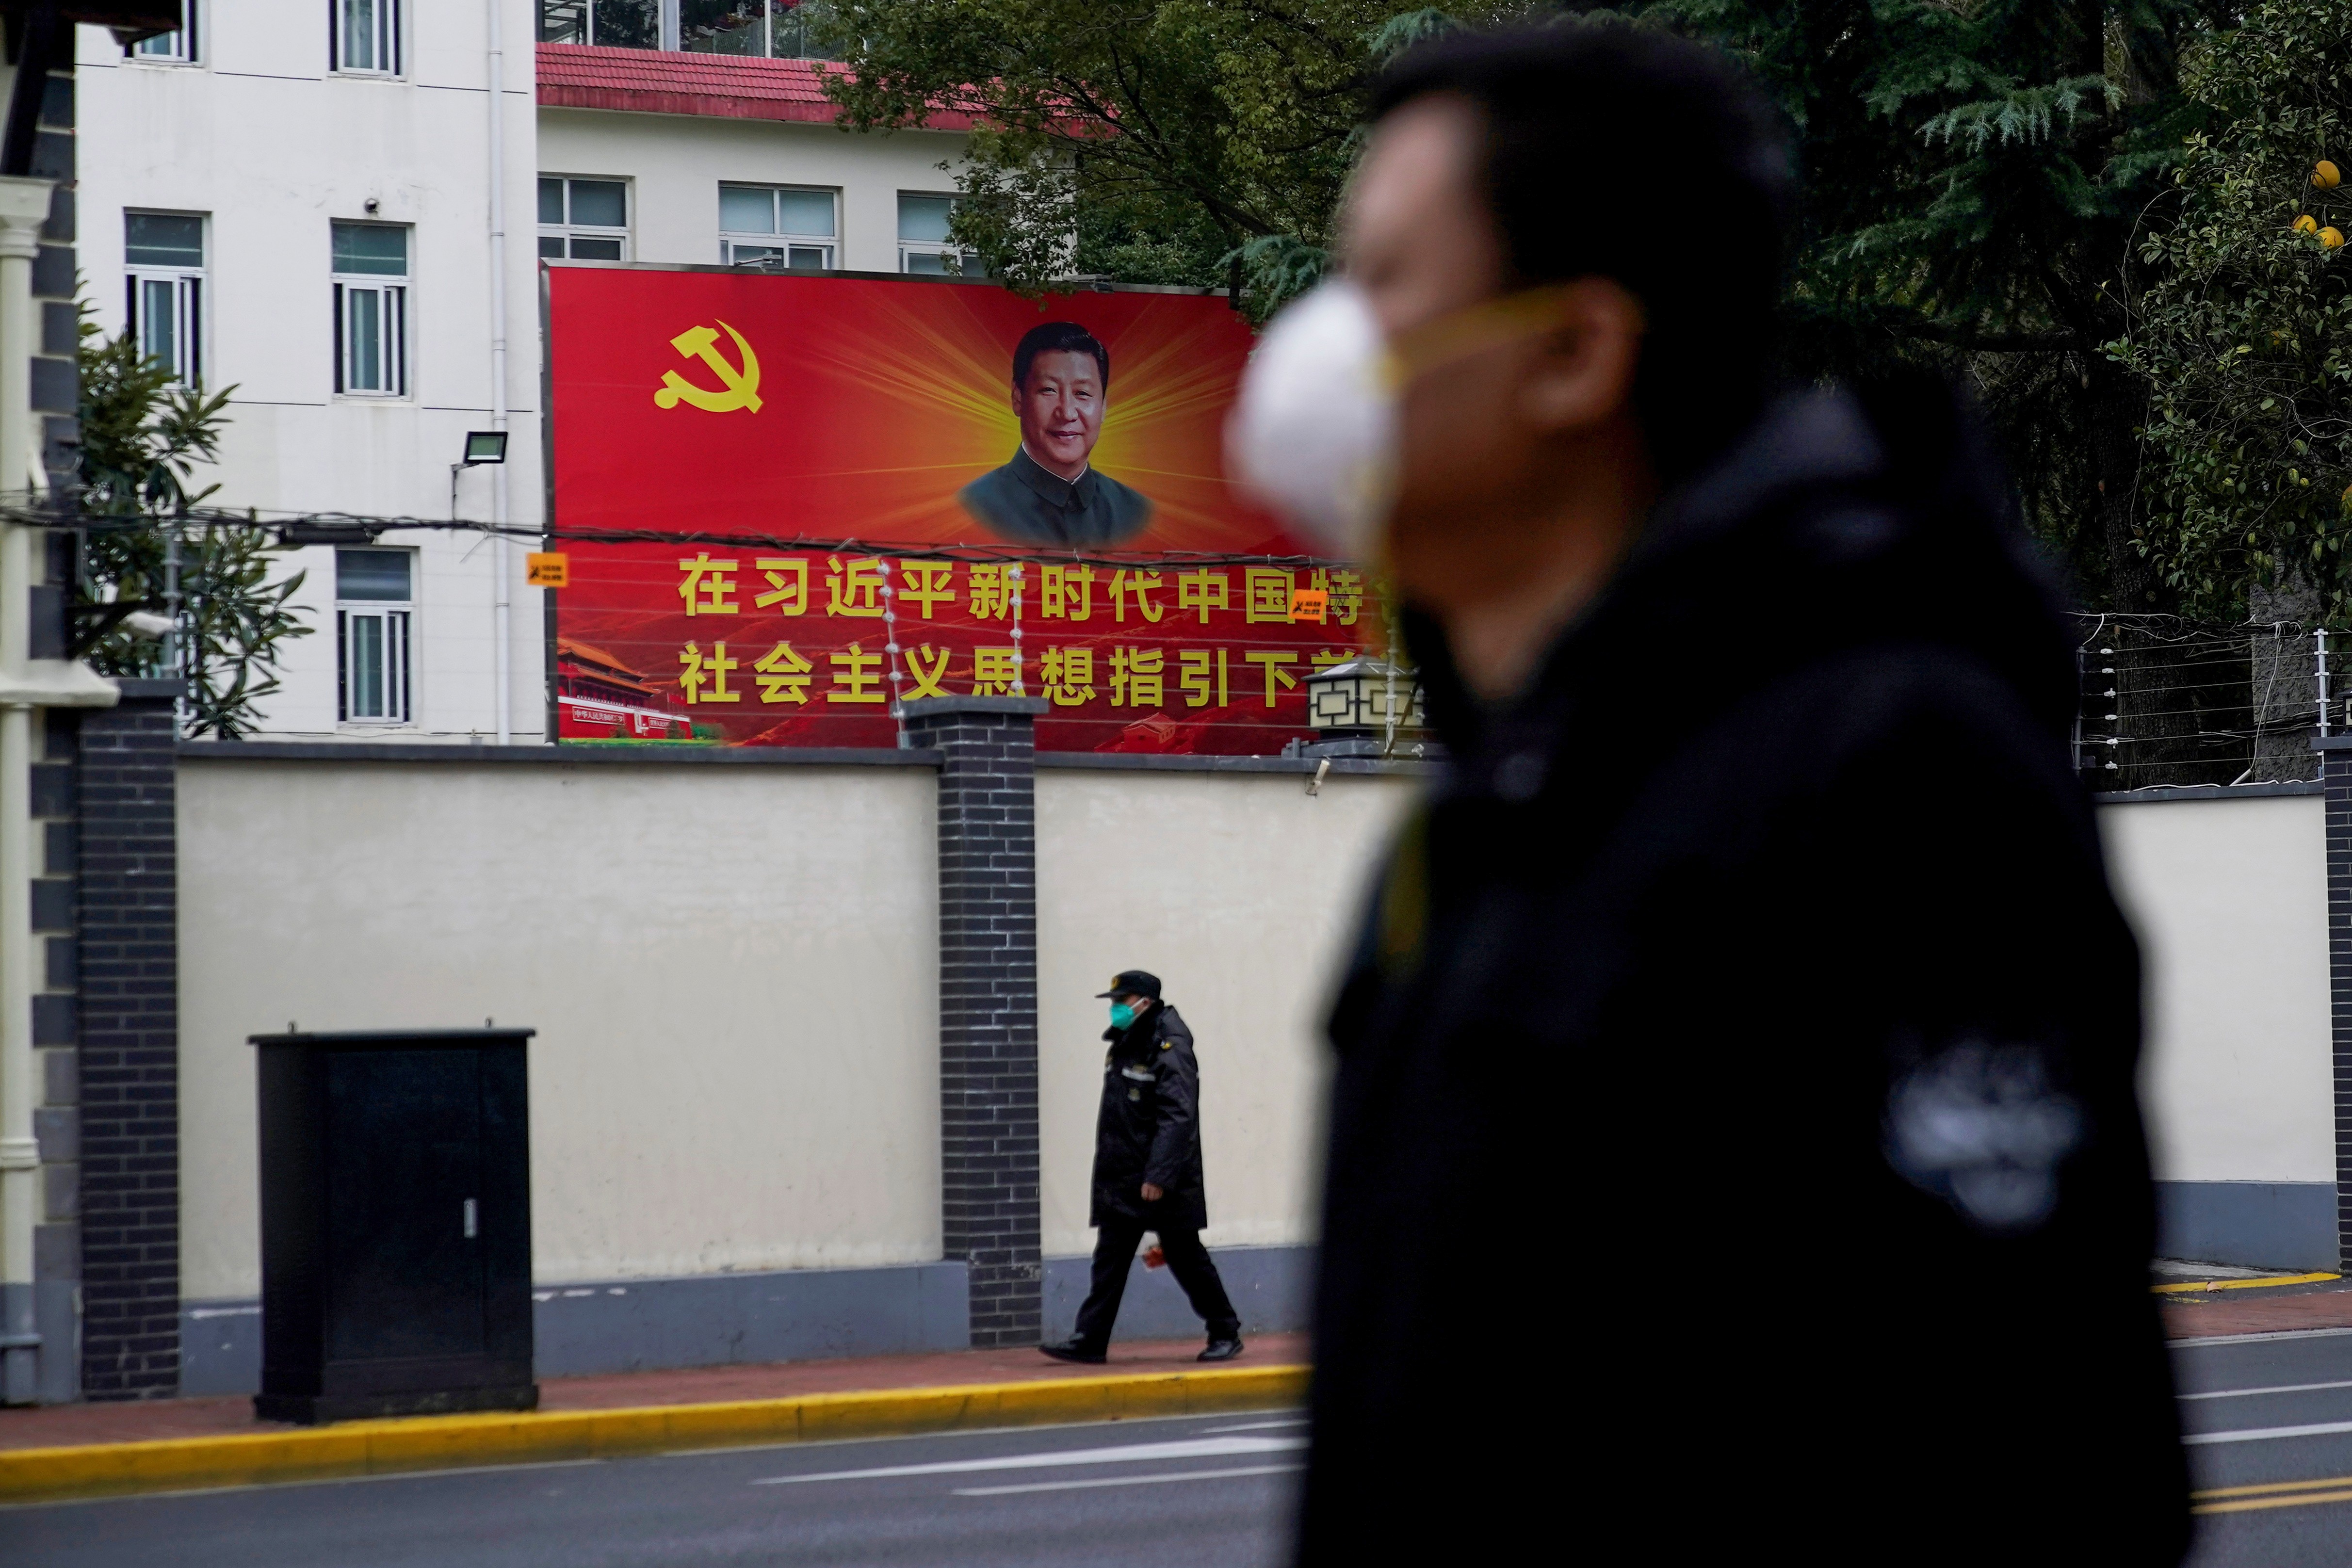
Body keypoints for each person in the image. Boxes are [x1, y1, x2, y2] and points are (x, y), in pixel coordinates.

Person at [1229, 23, 2190, 1565]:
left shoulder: (1891, 771)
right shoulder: (1490, 810)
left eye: (1388, 282)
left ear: (1574, 351)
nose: (1321, 347)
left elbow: (2037, 1460)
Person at [1039, 970, 1243, 1364]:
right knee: (1110, 1256)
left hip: (1162, 1177)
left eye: (1121, 1001)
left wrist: (1158, 1175)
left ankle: (1224, 1331)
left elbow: (1177, 1115)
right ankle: (1090, 1338)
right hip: (1124, 1172)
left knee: (1184, 1255)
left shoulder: (1169, 1045)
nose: (1115, 1009)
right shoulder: (1126, 1042)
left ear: (1144, 1002)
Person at [959, 321, 1154, 546]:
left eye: (1082, 393)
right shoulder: (975, 505)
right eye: (1049, 390)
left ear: (1103, 407)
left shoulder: (1134, 511)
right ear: (1018, 398)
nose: (1067, 413)